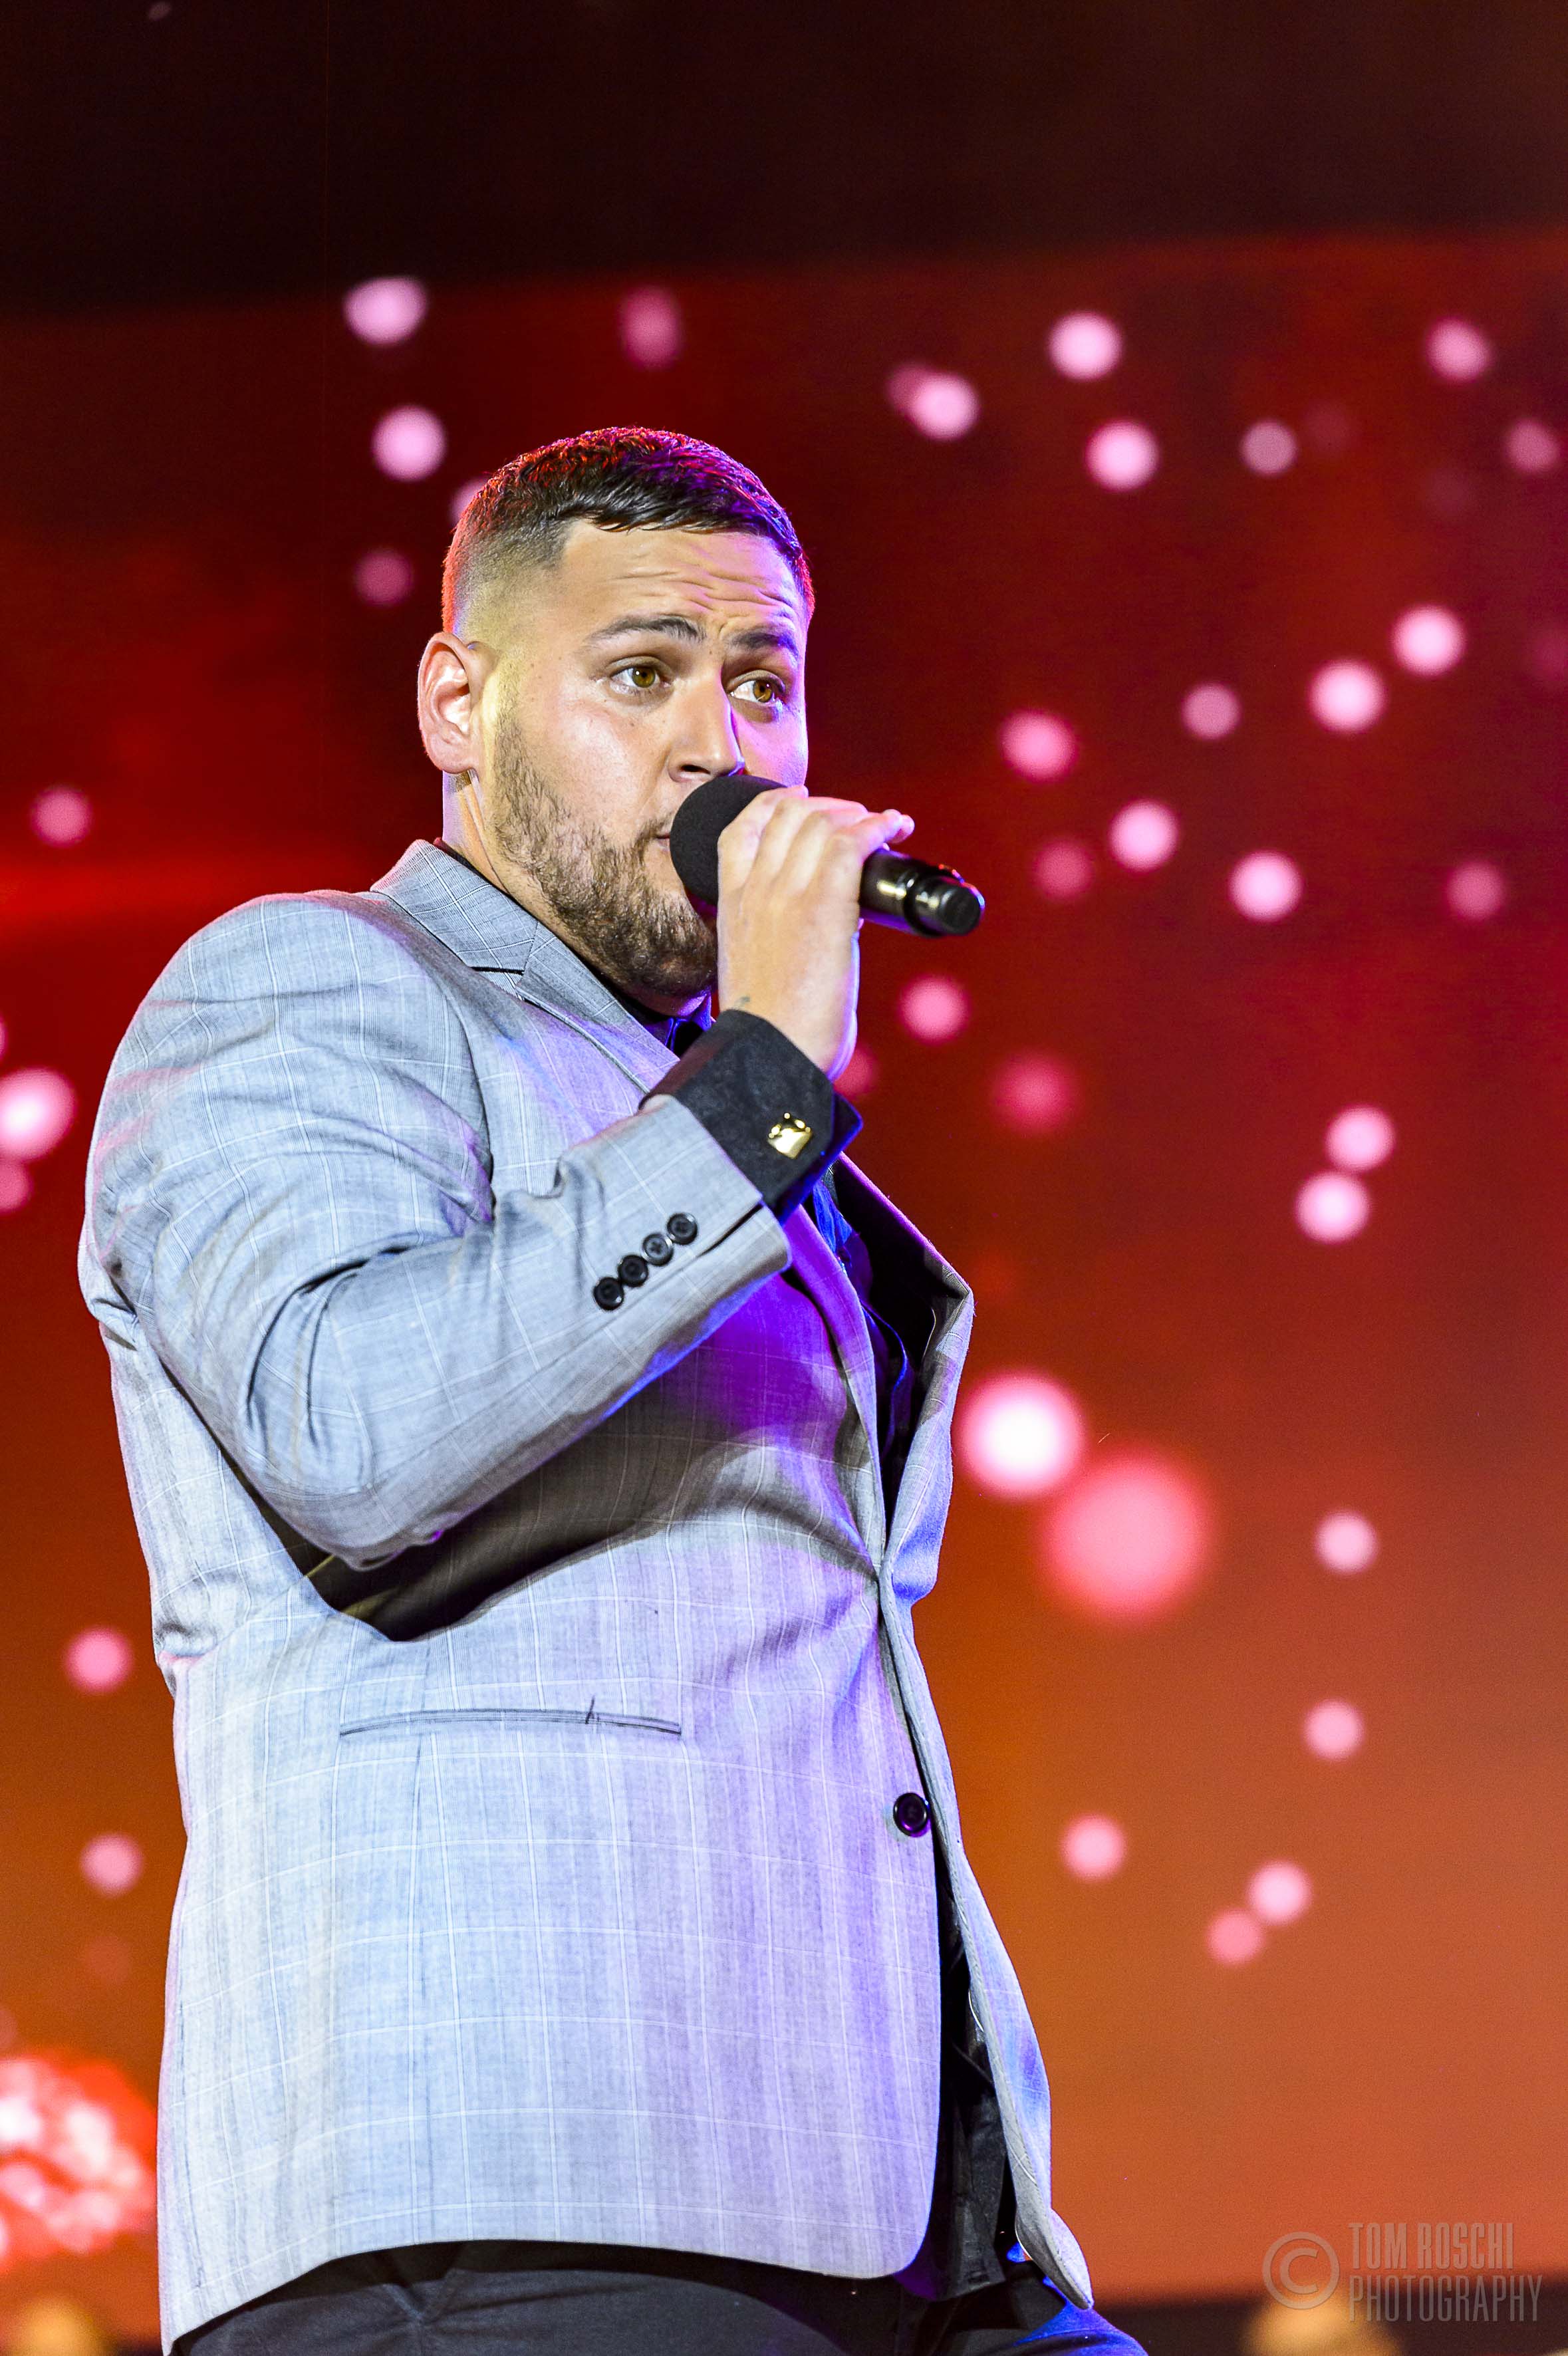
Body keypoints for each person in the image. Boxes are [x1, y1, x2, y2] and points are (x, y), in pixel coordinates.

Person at [80, 428, 1144, 2356]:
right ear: (459, 704)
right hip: (510, 2206)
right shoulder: (314, 985)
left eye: (763, 684)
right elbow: (350, 1431)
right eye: (642, 674)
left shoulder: (706, 1109)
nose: (719, 749)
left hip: (885, 2220)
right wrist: (763, 1081)